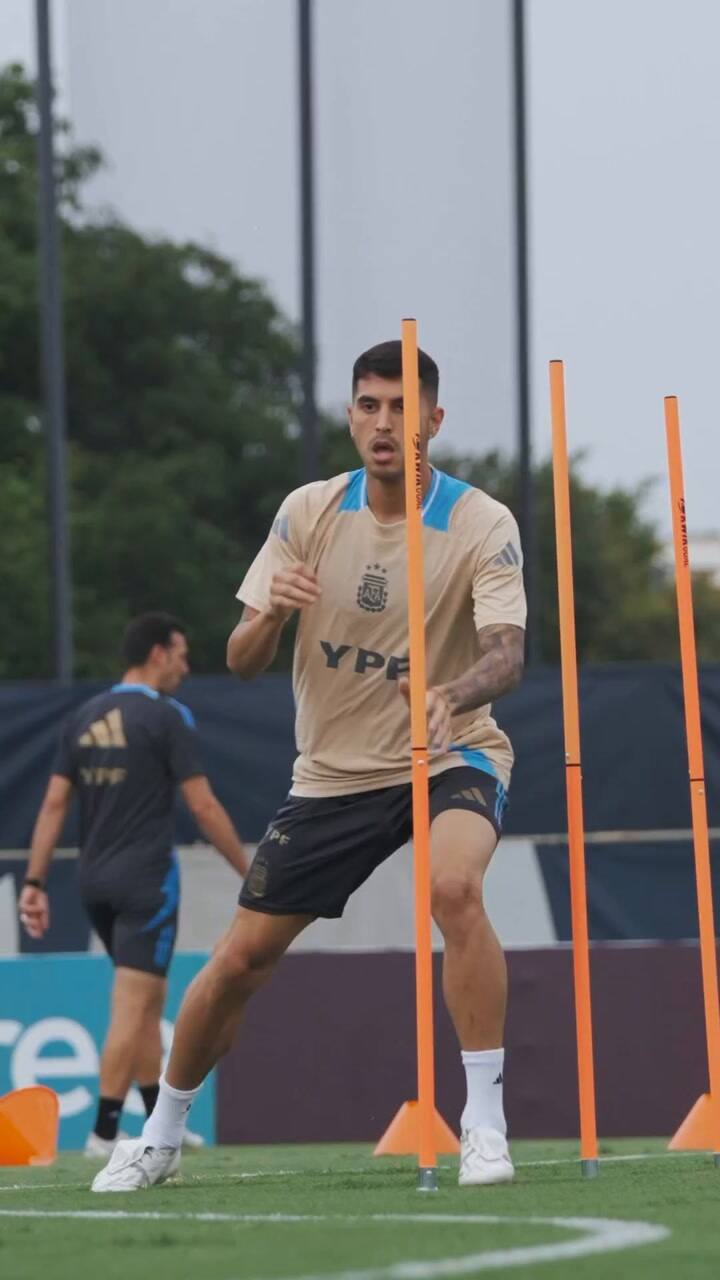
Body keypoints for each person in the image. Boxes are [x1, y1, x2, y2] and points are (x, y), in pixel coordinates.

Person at [91, 341, 526, 1193]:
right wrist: (271, 617)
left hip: (452, 747)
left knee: (455, 890)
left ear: (435, 421)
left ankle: (483, 1124)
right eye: (369, 406)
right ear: (352, 415)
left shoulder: (481, 521)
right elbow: (242, 656)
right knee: (241, 960)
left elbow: (507, 653)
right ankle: (162, 1133)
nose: (383, 423)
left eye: (402, 408)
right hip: (334, 773)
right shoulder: (308, 512)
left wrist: (453, 690)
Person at [20, 612, 249, 1157]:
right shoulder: (167, 717)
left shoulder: (82, 716)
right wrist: (250, 870)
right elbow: (203, 804)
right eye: (182, 655)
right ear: (157, 654)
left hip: (93, 881)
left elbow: (54, 803)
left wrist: (35, 880)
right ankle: (103, 1132)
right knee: (132, 1004)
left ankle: (156, 1119)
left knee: (146, 1002)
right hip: (146, 882)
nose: (185, 667)